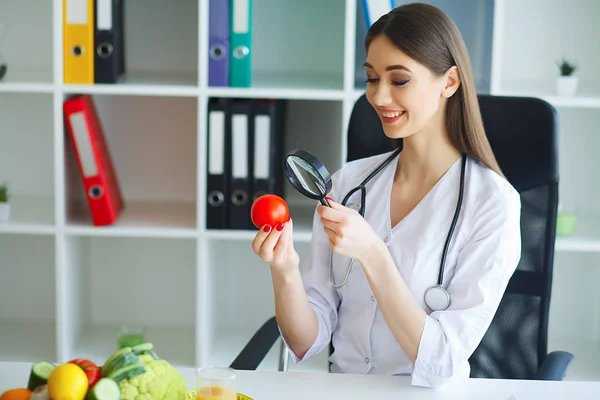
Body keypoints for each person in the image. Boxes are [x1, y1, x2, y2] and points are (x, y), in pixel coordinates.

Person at [251, 2, 521, 388]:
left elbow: (442, 363)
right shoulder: (346, 186)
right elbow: (305, 341)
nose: (378, 97)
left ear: (449, 82)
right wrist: (285, 271)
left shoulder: (493, 204)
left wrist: (373, 253)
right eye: (372, 78)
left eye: (398, 80)